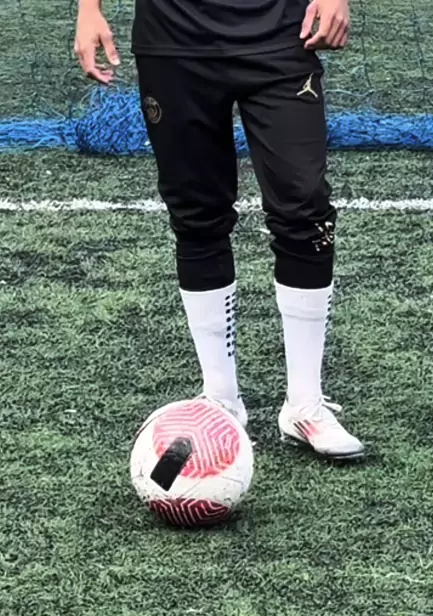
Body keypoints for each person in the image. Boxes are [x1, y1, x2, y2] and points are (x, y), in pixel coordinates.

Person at [75, 0, 364, 459]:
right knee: (196, 213)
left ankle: (305, 404)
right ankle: (222, 400)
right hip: (173, 37)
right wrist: (89, 9)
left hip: (281, 34)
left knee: (305, 205)